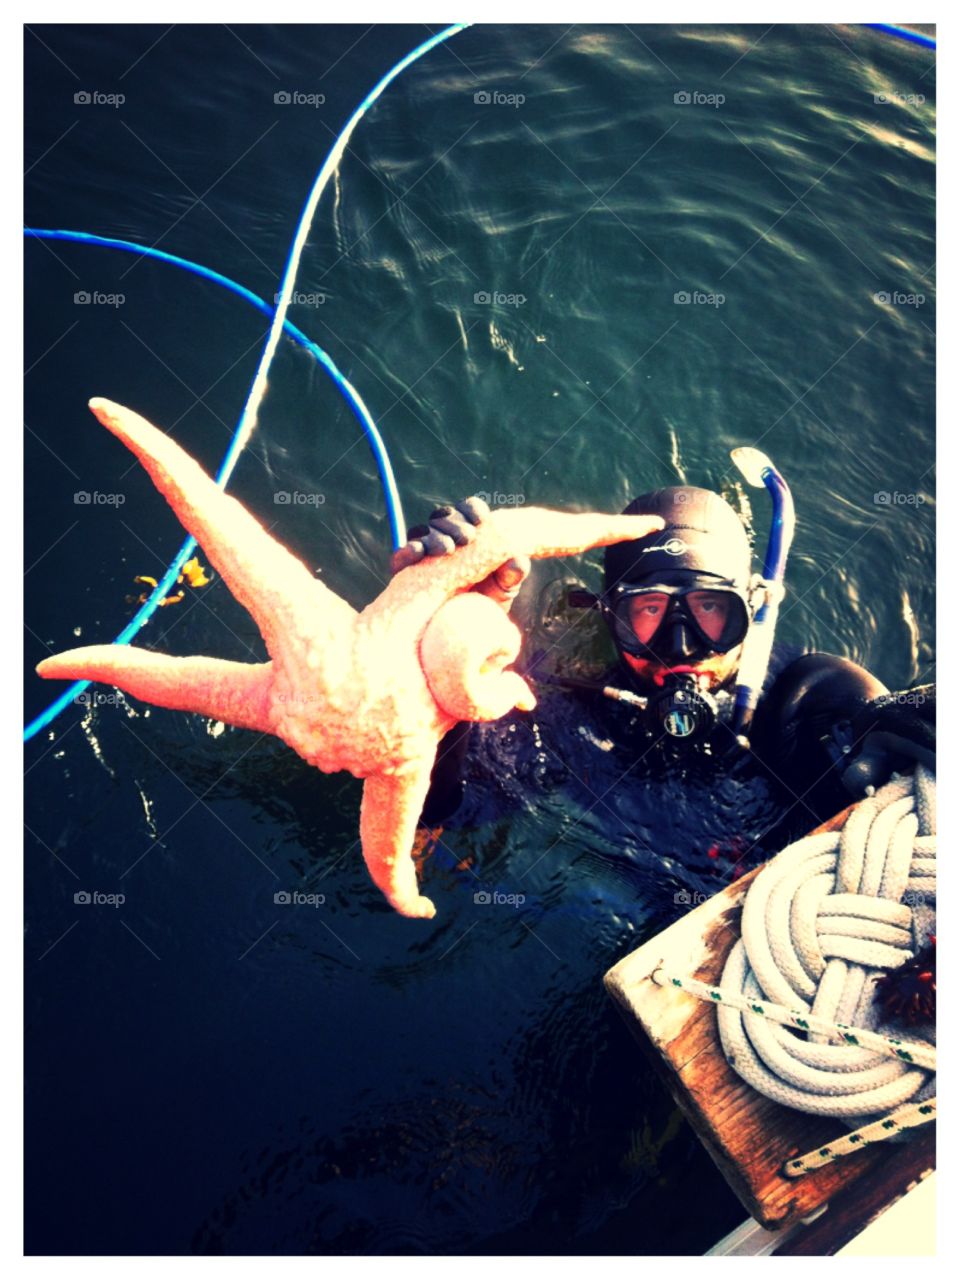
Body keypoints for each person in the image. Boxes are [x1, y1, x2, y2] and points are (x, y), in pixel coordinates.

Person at [391, 482, 935, 888]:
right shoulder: (563, 715)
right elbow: (437, 822)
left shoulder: (805, 699)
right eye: (648, 611)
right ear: (608, 617)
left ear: (752, 610)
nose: (680, 647)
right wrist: (449, 650)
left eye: (709, 610)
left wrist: (889, 720)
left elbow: (887, 749)